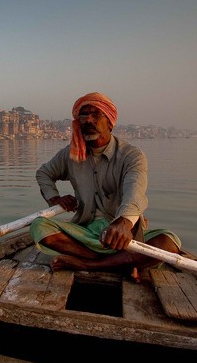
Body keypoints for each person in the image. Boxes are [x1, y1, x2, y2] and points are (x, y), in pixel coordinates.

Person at [30, 92, 180, 275]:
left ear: (110, 122)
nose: (88, 120)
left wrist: (124, 223)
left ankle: (87, 264)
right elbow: (44, 173)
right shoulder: (70, 154)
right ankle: (117, 263)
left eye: (96, 115)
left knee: (169, 242)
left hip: (123, 237)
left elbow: (135, 192)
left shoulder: (131, 156)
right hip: (84, 233)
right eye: (83, 116)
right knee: (39, 226)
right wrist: (54, 198)